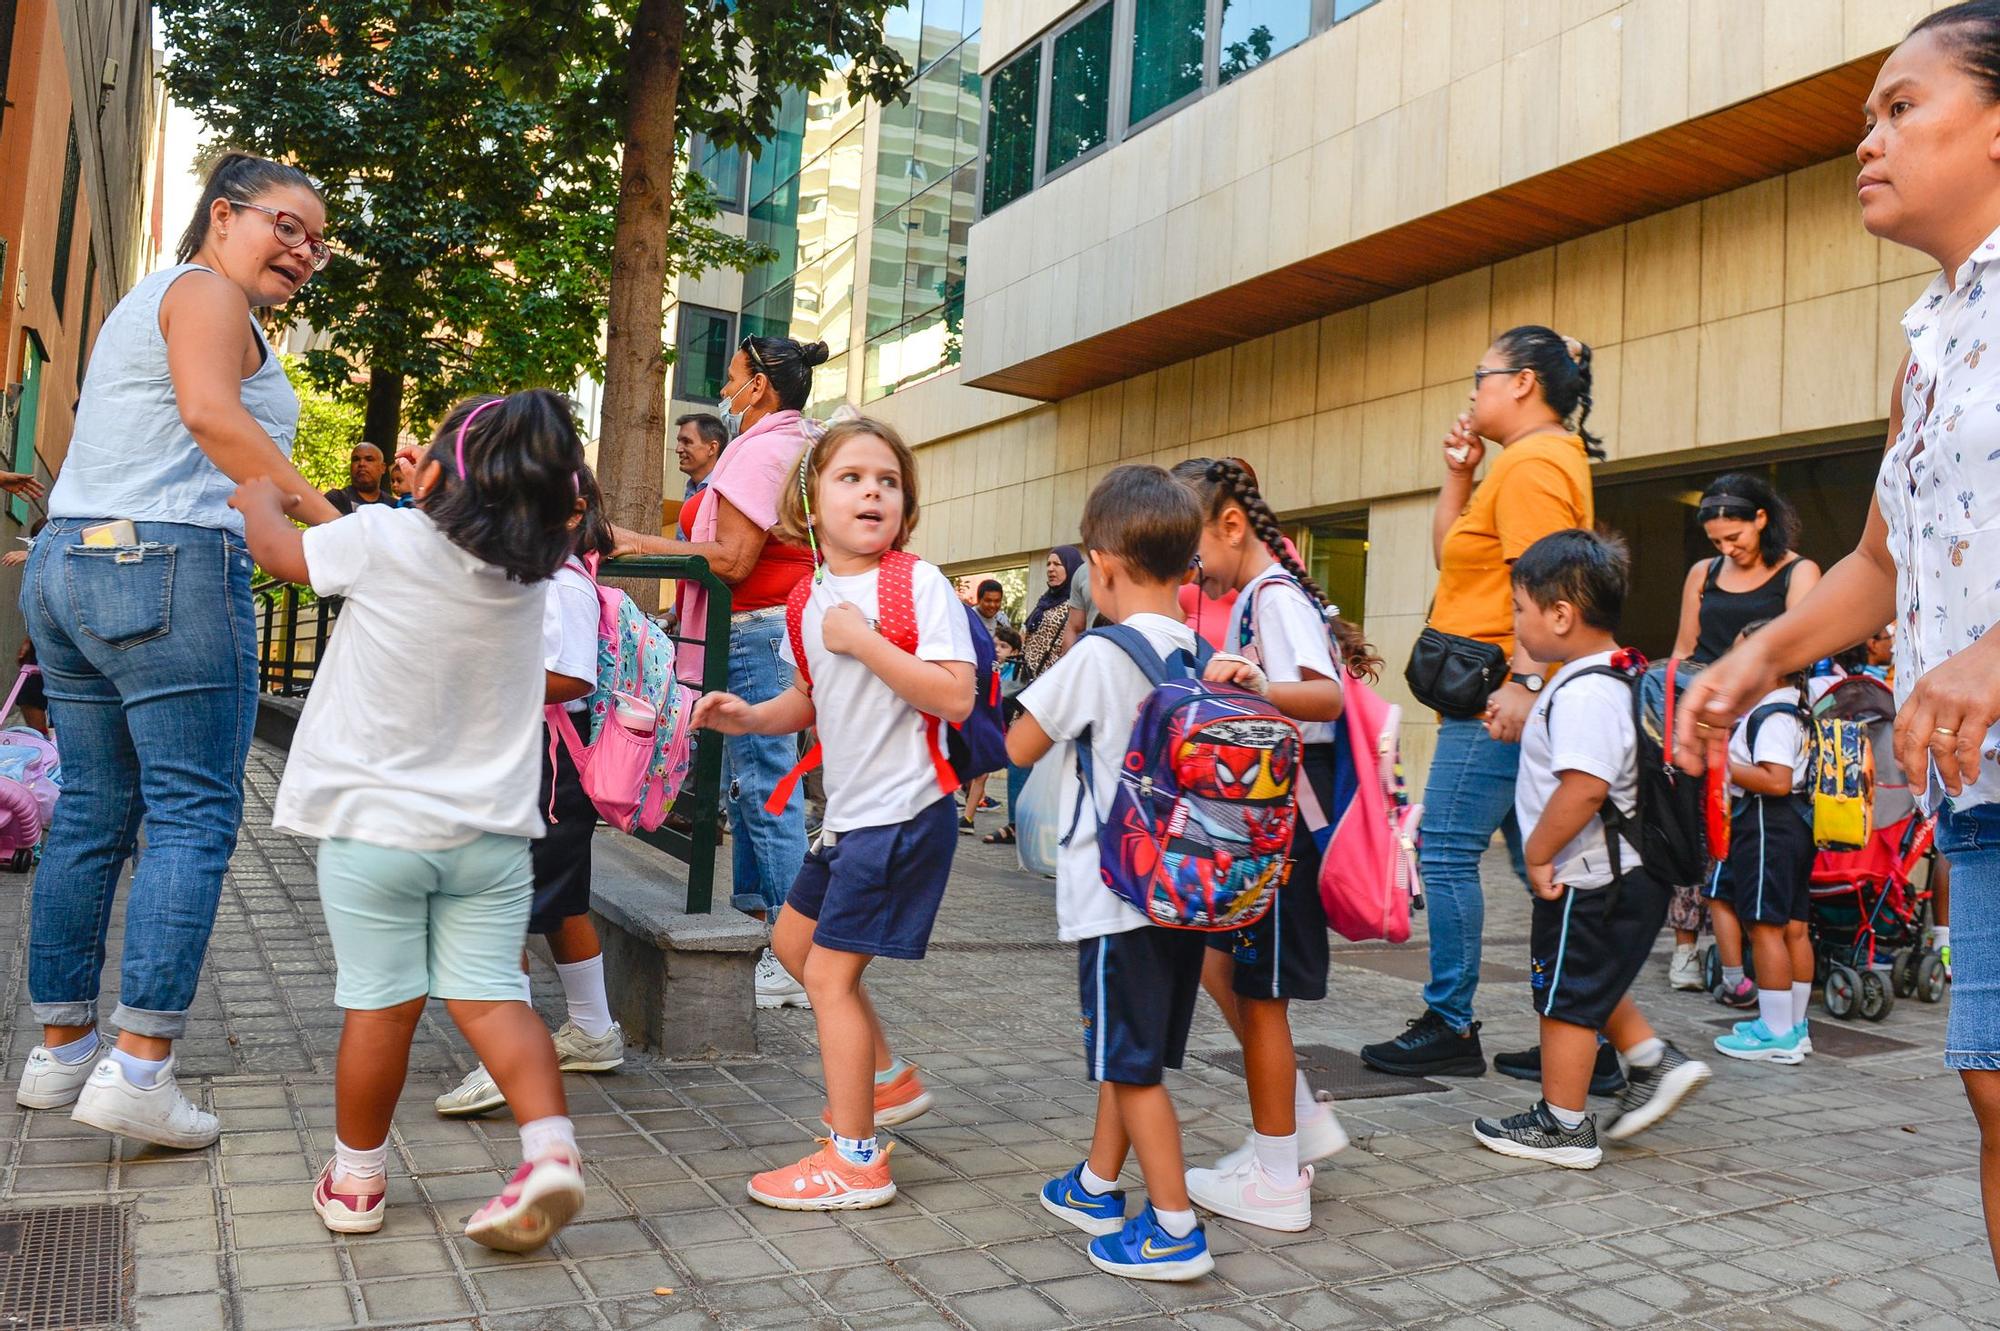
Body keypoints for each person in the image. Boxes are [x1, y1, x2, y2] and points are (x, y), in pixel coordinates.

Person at [1676, 4, 2000, 1271]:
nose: (1865, 137)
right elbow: (1878, 559)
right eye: (1866, 114)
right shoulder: (1927, 343)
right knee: (1990, 1095)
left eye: (1900, 105)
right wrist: (1752, 655)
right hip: (1977, 788)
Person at [13, 153, 340, 1147]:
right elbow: (209, 414)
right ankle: (141, 1065)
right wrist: (338, 530)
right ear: (223, 214)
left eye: (318, 241)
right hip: (164, 563)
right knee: (193, 816)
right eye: (286, 226)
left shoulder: (150, 298)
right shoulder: (203, 291)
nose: (304, 251)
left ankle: (61, 1047)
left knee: (95, 813)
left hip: (72, 560)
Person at [238, 390, 589, 1249]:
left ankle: (357, 1182)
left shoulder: (386, 535)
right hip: (492, 838)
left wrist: (259, 501)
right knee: (497, 999)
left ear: (428, 474)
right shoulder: (530, 578)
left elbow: (284, 556)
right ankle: (550, 1151)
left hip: (375, 834)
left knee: (381, 1008)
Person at [695, 418, 972, 1212]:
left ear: (905, 506)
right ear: (810, 504)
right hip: (848, 817)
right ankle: (887, 1081)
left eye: (888, 481)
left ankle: (856, 1160)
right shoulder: (805, 596)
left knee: (827, 973)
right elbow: (810, 699)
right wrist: (747, 717)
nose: (872, 491)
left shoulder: (916, 583)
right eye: (851, 477)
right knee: (791, 938)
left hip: (904, 812)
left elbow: (953, 693)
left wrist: (865, 640)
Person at [1360, 326, 1600, 1081]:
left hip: (1499, 698)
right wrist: (1459, 474)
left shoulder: (1534, 463)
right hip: (1504, 692)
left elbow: (1551, 582)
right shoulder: (1518, 464)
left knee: (1448, 852)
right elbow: (1451, 554)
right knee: (1553, 864)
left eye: (1482, 375)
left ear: (1523, 382)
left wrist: (1525, 683)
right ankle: (1593, 1036)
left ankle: (1451, 1020)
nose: (1473, 390)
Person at [1008, 464, 1217, 1281]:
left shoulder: (1100, 652)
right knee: (1132, 1055)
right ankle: (1098, 1184)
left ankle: (1173, 1228)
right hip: (1183, 896)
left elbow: (1019, 746)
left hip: (1116, 900)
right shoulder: (1199, 652)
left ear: (1102, 565)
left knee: (1130, 1070)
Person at [1171, 457, 1372, 1232]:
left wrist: (1251, 686)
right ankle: (1291, 1128)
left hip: (1286, 828)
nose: (1193, 570)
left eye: (1194, 549)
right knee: (1226, 969)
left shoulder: (1273, 598)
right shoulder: (1260, 597)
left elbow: (1323, 694)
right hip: (1273, 825)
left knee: (1261, 996)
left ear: (1229, 525)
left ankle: (1278, 1173)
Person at [1472, 530, 1710, 1168]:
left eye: (1521, 609)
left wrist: (1541, 854)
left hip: (1593, 876)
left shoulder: (1583, 692)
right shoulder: (1607, 677)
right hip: (1616, 875)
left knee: (1563, 997)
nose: (1517, 624)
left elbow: (1584, 788)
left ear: (1560, 614)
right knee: (1586, 981)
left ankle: (1563, 1125)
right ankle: (1653, 1061)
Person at [616, 336, 825, 1009]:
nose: (724, 392)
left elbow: (733, 560)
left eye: (730, 378)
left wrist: (642, 542)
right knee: (753, 788)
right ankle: (768, 932)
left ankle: (799, 958)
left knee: (766, 789)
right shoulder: (796, 439)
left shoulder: (764, 447)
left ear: (758, 386)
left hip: (756, 629)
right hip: (766, 628)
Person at [434, 465, 626, 1119]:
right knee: (563, 902)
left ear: (572, 511)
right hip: (549, 768)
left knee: (499, 906)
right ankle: (593, 1028)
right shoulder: (552, 576)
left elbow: (571, 677)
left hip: (542, 768)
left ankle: (503, 1059)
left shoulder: (562, 584)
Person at [1664, 473, 1822, 989]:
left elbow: (1802, 645)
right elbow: (1686, 649)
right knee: (1691, 832)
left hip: (1763, 713)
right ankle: (1687, 947)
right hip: (1706, 712)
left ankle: (1759, 958)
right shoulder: (1703, 573)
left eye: (1736, 537)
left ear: (1762, 519)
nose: (1727, 549)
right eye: (1716, 542)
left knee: (1752, 842)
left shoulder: (1799, 571)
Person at [1703, 623, 1817, 1064]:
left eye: (1743, 657)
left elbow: (1776, 779)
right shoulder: (1794, 709)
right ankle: (1794, 1024)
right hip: (1795, 825)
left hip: (1768, 822)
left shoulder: (1770, 715)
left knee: (1764, 925)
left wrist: (1722, 768)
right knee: (1793, 926)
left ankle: (1776, 1033)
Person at [1022, 547, 1083, 682]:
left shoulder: (1076, 605)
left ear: (1071, 567)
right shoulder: (1045, 600)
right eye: (1048, 564)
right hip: (1029, 680)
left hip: (1053, 682)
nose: (1050, 569)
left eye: (1057, 564)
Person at [674, 412, 727, 512]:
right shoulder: (691, 490)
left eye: (686, 442)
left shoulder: (724, 493)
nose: (678, 449)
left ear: (712, 448)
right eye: (679, 441)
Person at [324, 442, 394, 514]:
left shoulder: (393, 507)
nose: (361, 464)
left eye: (369, 459)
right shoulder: (336, 499)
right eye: (356, 459)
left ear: (383, 468)